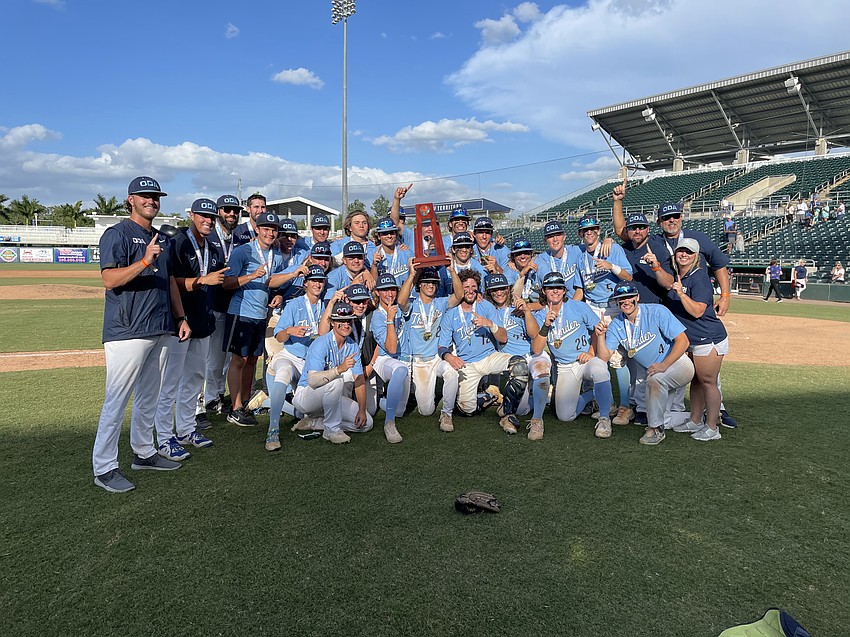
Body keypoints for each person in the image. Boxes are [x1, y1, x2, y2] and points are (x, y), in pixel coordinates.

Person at [92, 176, 189, 493]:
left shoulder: (163, 237)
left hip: (160, 327)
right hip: (127, 330)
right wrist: (145, 260)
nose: (152, 200)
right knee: (116, 400)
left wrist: (180, 316)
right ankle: (104, 468)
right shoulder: (117, 234)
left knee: (150, 396)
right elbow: (109, 280)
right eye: (145, 195)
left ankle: (144, 453)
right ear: (130, 199)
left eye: (155, 196)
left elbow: (171, 280)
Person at [154, 198, 226, 460]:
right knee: (170, 381)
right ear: (192, 215)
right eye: (203, 216)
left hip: (203, 319)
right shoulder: (178, 242)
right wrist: (201, 280)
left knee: (195, 378)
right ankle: (164, 437)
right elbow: (172, 282)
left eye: (212, 217)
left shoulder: (212, 246)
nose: (208, 220)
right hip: (180, 321)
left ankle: (186, 429)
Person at [595, 284, 694, 446]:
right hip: (657, 372)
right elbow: (604, 356)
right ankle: (702, 415)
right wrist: (600, 336)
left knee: (655, 380)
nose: (625, 301)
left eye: (629, 297)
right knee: (663, 416)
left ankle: (655, 430)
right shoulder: (617, 325)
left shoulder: (656, 311)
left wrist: (664, 364)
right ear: (617, 302)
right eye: (621, 299)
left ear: (637, 297)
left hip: (677, 364)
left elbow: (683, 341)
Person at [438, 270, 528, 433]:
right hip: (468, 364)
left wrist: (490, 324)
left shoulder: (485, 306)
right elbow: (442, 346)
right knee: (467, 410)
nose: (470, 290)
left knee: (520, 365)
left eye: (474, 287)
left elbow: (503, 338)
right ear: (459, 288)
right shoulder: (450, 314)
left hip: (489, 357)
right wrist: (449, 357)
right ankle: (487, 397)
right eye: (466, 287)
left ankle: (507, 414)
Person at [529, 272, 614, 439]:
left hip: (584, 361)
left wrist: (591, 351)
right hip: (565, 366)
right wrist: (546, 325)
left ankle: (605, 418)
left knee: (600, 368)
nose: (555, 291)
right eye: (551, 288)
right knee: (565, 416)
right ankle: (593, 396)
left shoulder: (578, 306)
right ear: (544, 291)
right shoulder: (540, 315)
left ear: (564, 290)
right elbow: (537, 349)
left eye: (559, 287)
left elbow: (597, 330)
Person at [222, 212, 288, 425]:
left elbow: (274, 282)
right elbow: (226, 283)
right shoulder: (242, 251)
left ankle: (245, 403)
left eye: (273, 229)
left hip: (261, 315)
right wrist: (251, 276)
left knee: (252, 360)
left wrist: (278, 294)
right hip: (241, 313)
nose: (270, 232)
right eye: (266, 228)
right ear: (257, 229)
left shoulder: (276, 256)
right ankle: (235, 407)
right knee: (238, 360)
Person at [571, 214, 634, 425]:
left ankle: (625, 406)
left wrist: (611, 266)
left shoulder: (612, 249)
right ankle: (608, 404)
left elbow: (628, 276)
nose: (589, 233)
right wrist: (570, 308)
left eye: (592, 229)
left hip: (611, 308)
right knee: (598, 359)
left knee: (616, 358)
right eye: (584, 230)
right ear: (580, 234)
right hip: (591, 309)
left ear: (598, 231)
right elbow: (581, 289)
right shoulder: (580, 257)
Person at [663, 239, 728, 442]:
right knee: (697, 381)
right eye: (680, 250)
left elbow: (698, 311)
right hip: (694, 339)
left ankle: (711, 427)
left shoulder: (699, 278)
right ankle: (695, 419)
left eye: (688, 252)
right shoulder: (680, 275)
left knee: (708, 382)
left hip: (708, 337)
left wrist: (681, 295)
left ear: (696, 256)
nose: (683, 255)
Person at [264, 264, 329, 451]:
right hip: (291, 356)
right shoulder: (294, 304)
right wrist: (290, 330)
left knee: (305, 413)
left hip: (312, 364)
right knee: (283, 371)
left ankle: (269, 401)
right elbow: (278, 336)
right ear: (305, 284)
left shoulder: (325, 306)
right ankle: (273, 429)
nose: (317, 284)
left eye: (320, 281)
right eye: (313, 281)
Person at [292, 301, 373, 444]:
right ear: (333, 322)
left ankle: (317, 423)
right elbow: (312, 381)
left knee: (367, 424)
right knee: (336, 381)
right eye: (341, 321)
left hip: (330, 396)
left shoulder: (352, 345)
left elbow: (359, 380)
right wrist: (338, 369)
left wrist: (362, 409)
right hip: (307, 395)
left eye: (349, 320)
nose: (346, 324)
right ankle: (332, 430)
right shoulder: (320, 343)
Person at [397, 264, 462, 432]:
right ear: (419, 285)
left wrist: (452, 271)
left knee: (451, 371)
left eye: (434, 282)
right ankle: (401, 395)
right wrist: (412, 275)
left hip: (436, 358)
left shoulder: (440, 302)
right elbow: (400, 301)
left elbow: (459, 295)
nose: (430, 285)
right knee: (426, 411)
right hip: (419, 361)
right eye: (426, 281)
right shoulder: (411, 303)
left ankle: (447, 413)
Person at [198, 194, 242, 424]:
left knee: (221, 358)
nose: (231, 214)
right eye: (226, 210)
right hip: (207, 305)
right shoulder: (208, 237)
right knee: (202, 359)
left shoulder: (238, 238)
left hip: (229, 306)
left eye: (235, 210)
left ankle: (214, 397)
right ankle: (198, 405)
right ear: (218, 213)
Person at [368, 273, 412, 443]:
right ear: (377, 292)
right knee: (400, 370)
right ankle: (389, 423)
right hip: (385, 359)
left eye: (392, 289)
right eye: (384, 290)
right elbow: (391, 348)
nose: (389, 294)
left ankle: (383, 402)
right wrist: (390, 320)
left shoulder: (399, 308)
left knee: (400, 410)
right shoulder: (377, 317)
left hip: (403, 358)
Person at [371, 217, 414, 288]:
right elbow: (373, 283)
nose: (389, 236)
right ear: (379, 236)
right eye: (385, 233)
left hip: (406, 296)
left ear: (396, 234)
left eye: (392, 232)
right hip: (384, 296)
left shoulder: (405, 252)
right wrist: (374, 265)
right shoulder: (372, 254)